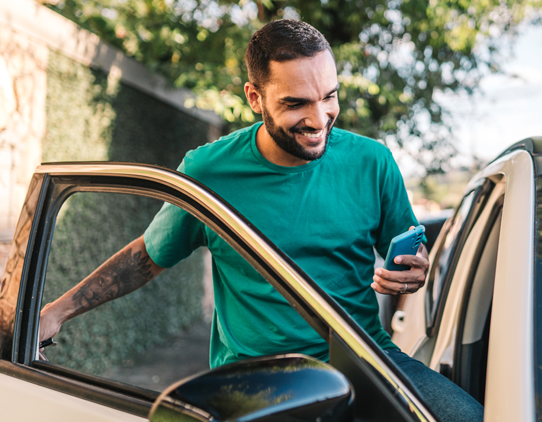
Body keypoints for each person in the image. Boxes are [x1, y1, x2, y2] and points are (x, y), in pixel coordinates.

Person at [39, 19, 483, 421]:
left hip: (365, 359)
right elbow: (147, 256)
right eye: (296, 104)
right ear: (255, 97)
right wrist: (55, 312)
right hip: (257, 380)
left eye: (329, 97)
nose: (318, 119)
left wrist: (414, 270)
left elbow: (408, 249)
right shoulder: (208, 172)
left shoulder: (373, 162)